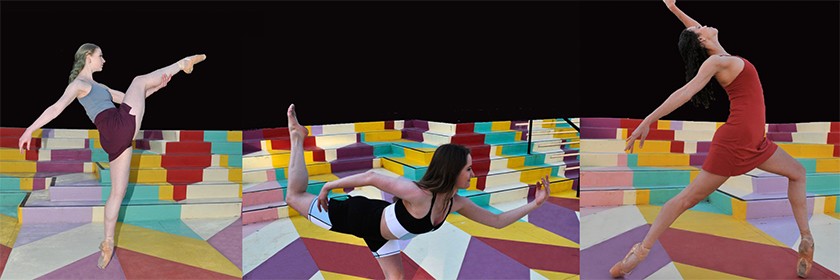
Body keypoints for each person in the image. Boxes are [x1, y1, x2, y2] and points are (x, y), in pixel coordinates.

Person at [609, 0, 814, 278]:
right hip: (735, 142)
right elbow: (683, 92)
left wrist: (673, 9)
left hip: (756, 143)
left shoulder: (722, 56)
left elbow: (693, 30)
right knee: (686, 200)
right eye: (700, 29)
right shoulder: (716, 62)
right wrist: (648, 120)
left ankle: (806, 239)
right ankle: (640, 252)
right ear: (703, 41)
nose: (702, 25)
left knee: (798, 173)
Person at [284, 104, 552, 279]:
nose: (473, 174)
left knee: (397, 278)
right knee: (293, 196)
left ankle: (298, 137)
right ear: (452, 171)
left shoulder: (455, 203)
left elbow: (496, 222)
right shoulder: (418, 193)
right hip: (357, 217)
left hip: (383, 234)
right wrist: (329, 186)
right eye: (469, 169)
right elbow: (373, 177)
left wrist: (535, 204)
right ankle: (298, 136)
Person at [17, 43, 206, 269]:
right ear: (88, 57)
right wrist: (30, 129)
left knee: (117, 192)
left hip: (112, 137)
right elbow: (56, 108)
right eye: (100, 56)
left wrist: (157, 87)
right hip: (117, 126)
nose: (104, 60)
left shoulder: (100, 86)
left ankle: (107, 242)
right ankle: (181, 63)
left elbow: (131, 97)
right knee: (138, 79)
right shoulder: (79, 84)